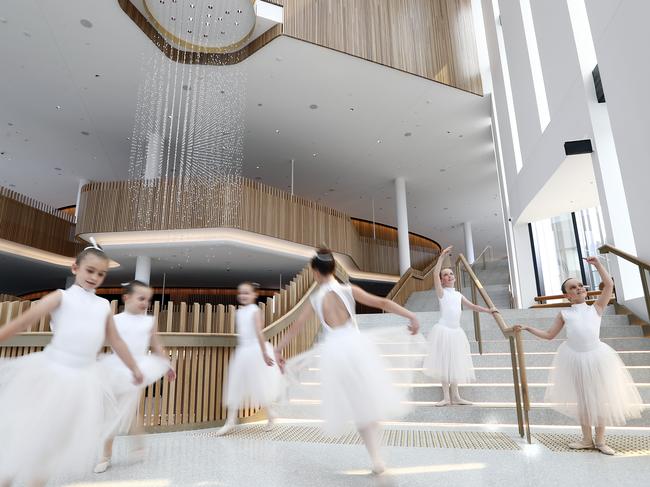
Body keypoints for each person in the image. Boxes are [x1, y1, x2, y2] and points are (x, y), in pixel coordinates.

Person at [0, 245, 143, 487]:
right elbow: (25, 321)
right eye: (90, 270)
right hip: (53, 372)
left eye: (100, 274)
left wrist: (134, 367)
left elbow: (116, 340)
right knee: (35, 433)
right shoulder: (60, 297)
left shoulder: (102, 306)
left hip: (83, 379)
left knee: (55, 443)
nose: (94, 277)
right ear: (75, 268)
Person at [274, 248, 420, 475]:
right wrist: (411, 315)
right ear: (333, 268)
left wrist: (277, 350)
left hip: (334, 353)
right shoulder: (348, 289)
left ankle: (376, 457)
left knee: (358, 405)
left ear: (315, 271)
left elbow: (295, 330)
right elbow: (382, 302)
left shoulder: (315, 299)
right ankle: (377, 456)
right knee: (367, 402)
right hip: (356, 346)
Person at [515, 256, 642, 455]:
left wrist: (598, 265)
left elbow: (608, 284)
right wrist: (528, 328)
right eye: (573, 287)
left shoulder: (597, 308)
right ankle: (586, 439)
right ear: (568, 296)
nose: (579, 288)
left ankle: (600, 440)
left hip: (597, 357)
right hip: (574, 357)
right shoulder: (565, 314)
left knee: (600, 398)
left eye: (580, 285)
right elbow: (549, 335)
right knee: (583, 399)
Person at [94, 280, 176, 474]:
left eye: (148, 299)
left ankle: (136, 446)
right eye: (141, 298)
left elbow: (156, 345)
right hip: (114, 368)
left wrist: (167, 365)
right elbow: (101, 339)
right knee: (111, 414)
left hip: (138, 370)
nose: (145, 303)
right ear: (126, 297)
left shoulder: (149, 321)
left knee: (130, 411)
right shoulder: (115, 319)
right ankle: (106, 455)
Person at [423, 246, 499, 406]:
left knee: (456, 361)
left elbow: (472, 306)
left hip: (456, 332)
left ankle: (456, 395)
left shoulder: (458, 295)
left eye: (451, 274)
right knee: (444, 363)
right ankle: (446, 397)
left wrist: (488, 310)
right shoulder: (441, 293)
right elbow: (434, 274)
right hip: (444, 331)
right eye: (445, 275)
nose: (449, 276)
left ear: (455, 278)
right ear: (442, 280)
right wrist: (442, 257)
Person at [217, 282, 283, 436]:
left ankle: (271, 415)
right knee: (235, 384)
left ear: (254, 295)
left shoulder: (255, 310)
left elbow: (259, 332)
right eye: (241, 293)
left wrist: (264, 353)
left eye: (247, 293)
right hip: (242, 351)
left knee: (259, 385)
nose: (243, 296)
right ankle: (230, 421)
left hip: (255, 350)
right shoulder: (239, 312)